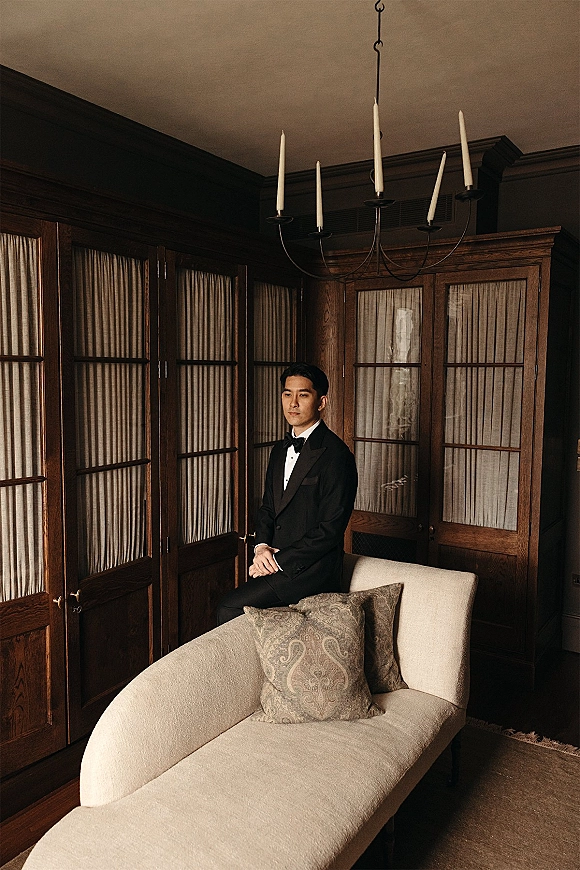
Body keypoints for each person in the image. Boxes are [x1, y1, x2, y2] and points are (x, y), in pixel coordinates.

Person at [217, 362, 358, 624]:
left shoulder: (337, 456)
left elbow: (330, 529)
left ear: (321, 402)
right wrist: (261, 548)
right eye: (287, 394)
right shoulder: (279, 449)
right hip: (275, 561)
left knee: (229, 607)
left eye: (303, 395)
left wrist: (278, 560)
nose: (293, 403)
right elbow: (268, 507)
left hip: (311, 569)